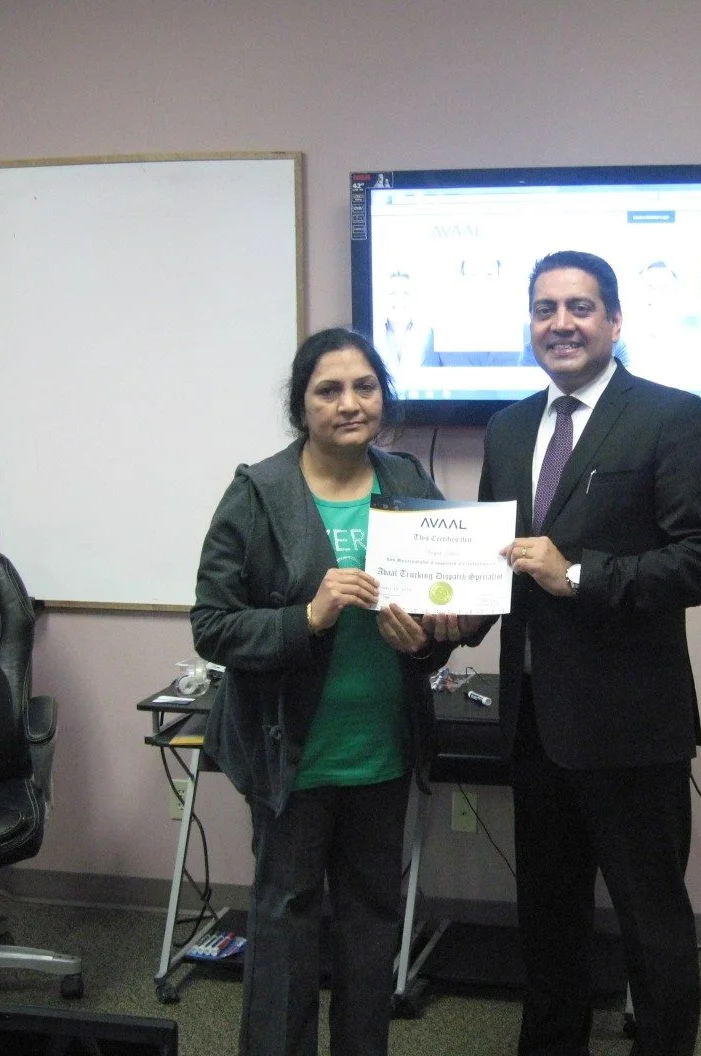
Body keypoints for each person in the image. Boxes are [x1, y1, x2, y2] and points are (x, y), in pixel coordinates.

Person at [432, 250, 701, 1056]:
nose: (560, 323)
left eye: (580, 307)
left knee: (651, 923)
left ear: (615, 320)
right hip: (534, 724)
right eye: (545, 309)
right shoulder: (507, 428)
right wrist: (451, 620)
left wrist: (576, 574)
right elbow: (500, 567)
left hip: (632, 725)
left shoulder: (669, 415)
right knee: (547, 920)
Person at [192, 327, 452, 1056]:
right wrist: (305, 618)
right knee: (284, 927)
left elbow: (444, 608)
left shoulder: (408, 481)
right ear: (300, 405)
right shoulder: (258, 491)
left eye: (364, 387)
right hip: (293, 757)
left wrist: (432, 636)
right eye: (328, 390)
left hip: (382, 751)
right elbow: (212, 625)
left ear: (383, 398)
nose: (349, 403)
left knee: (372, 927)